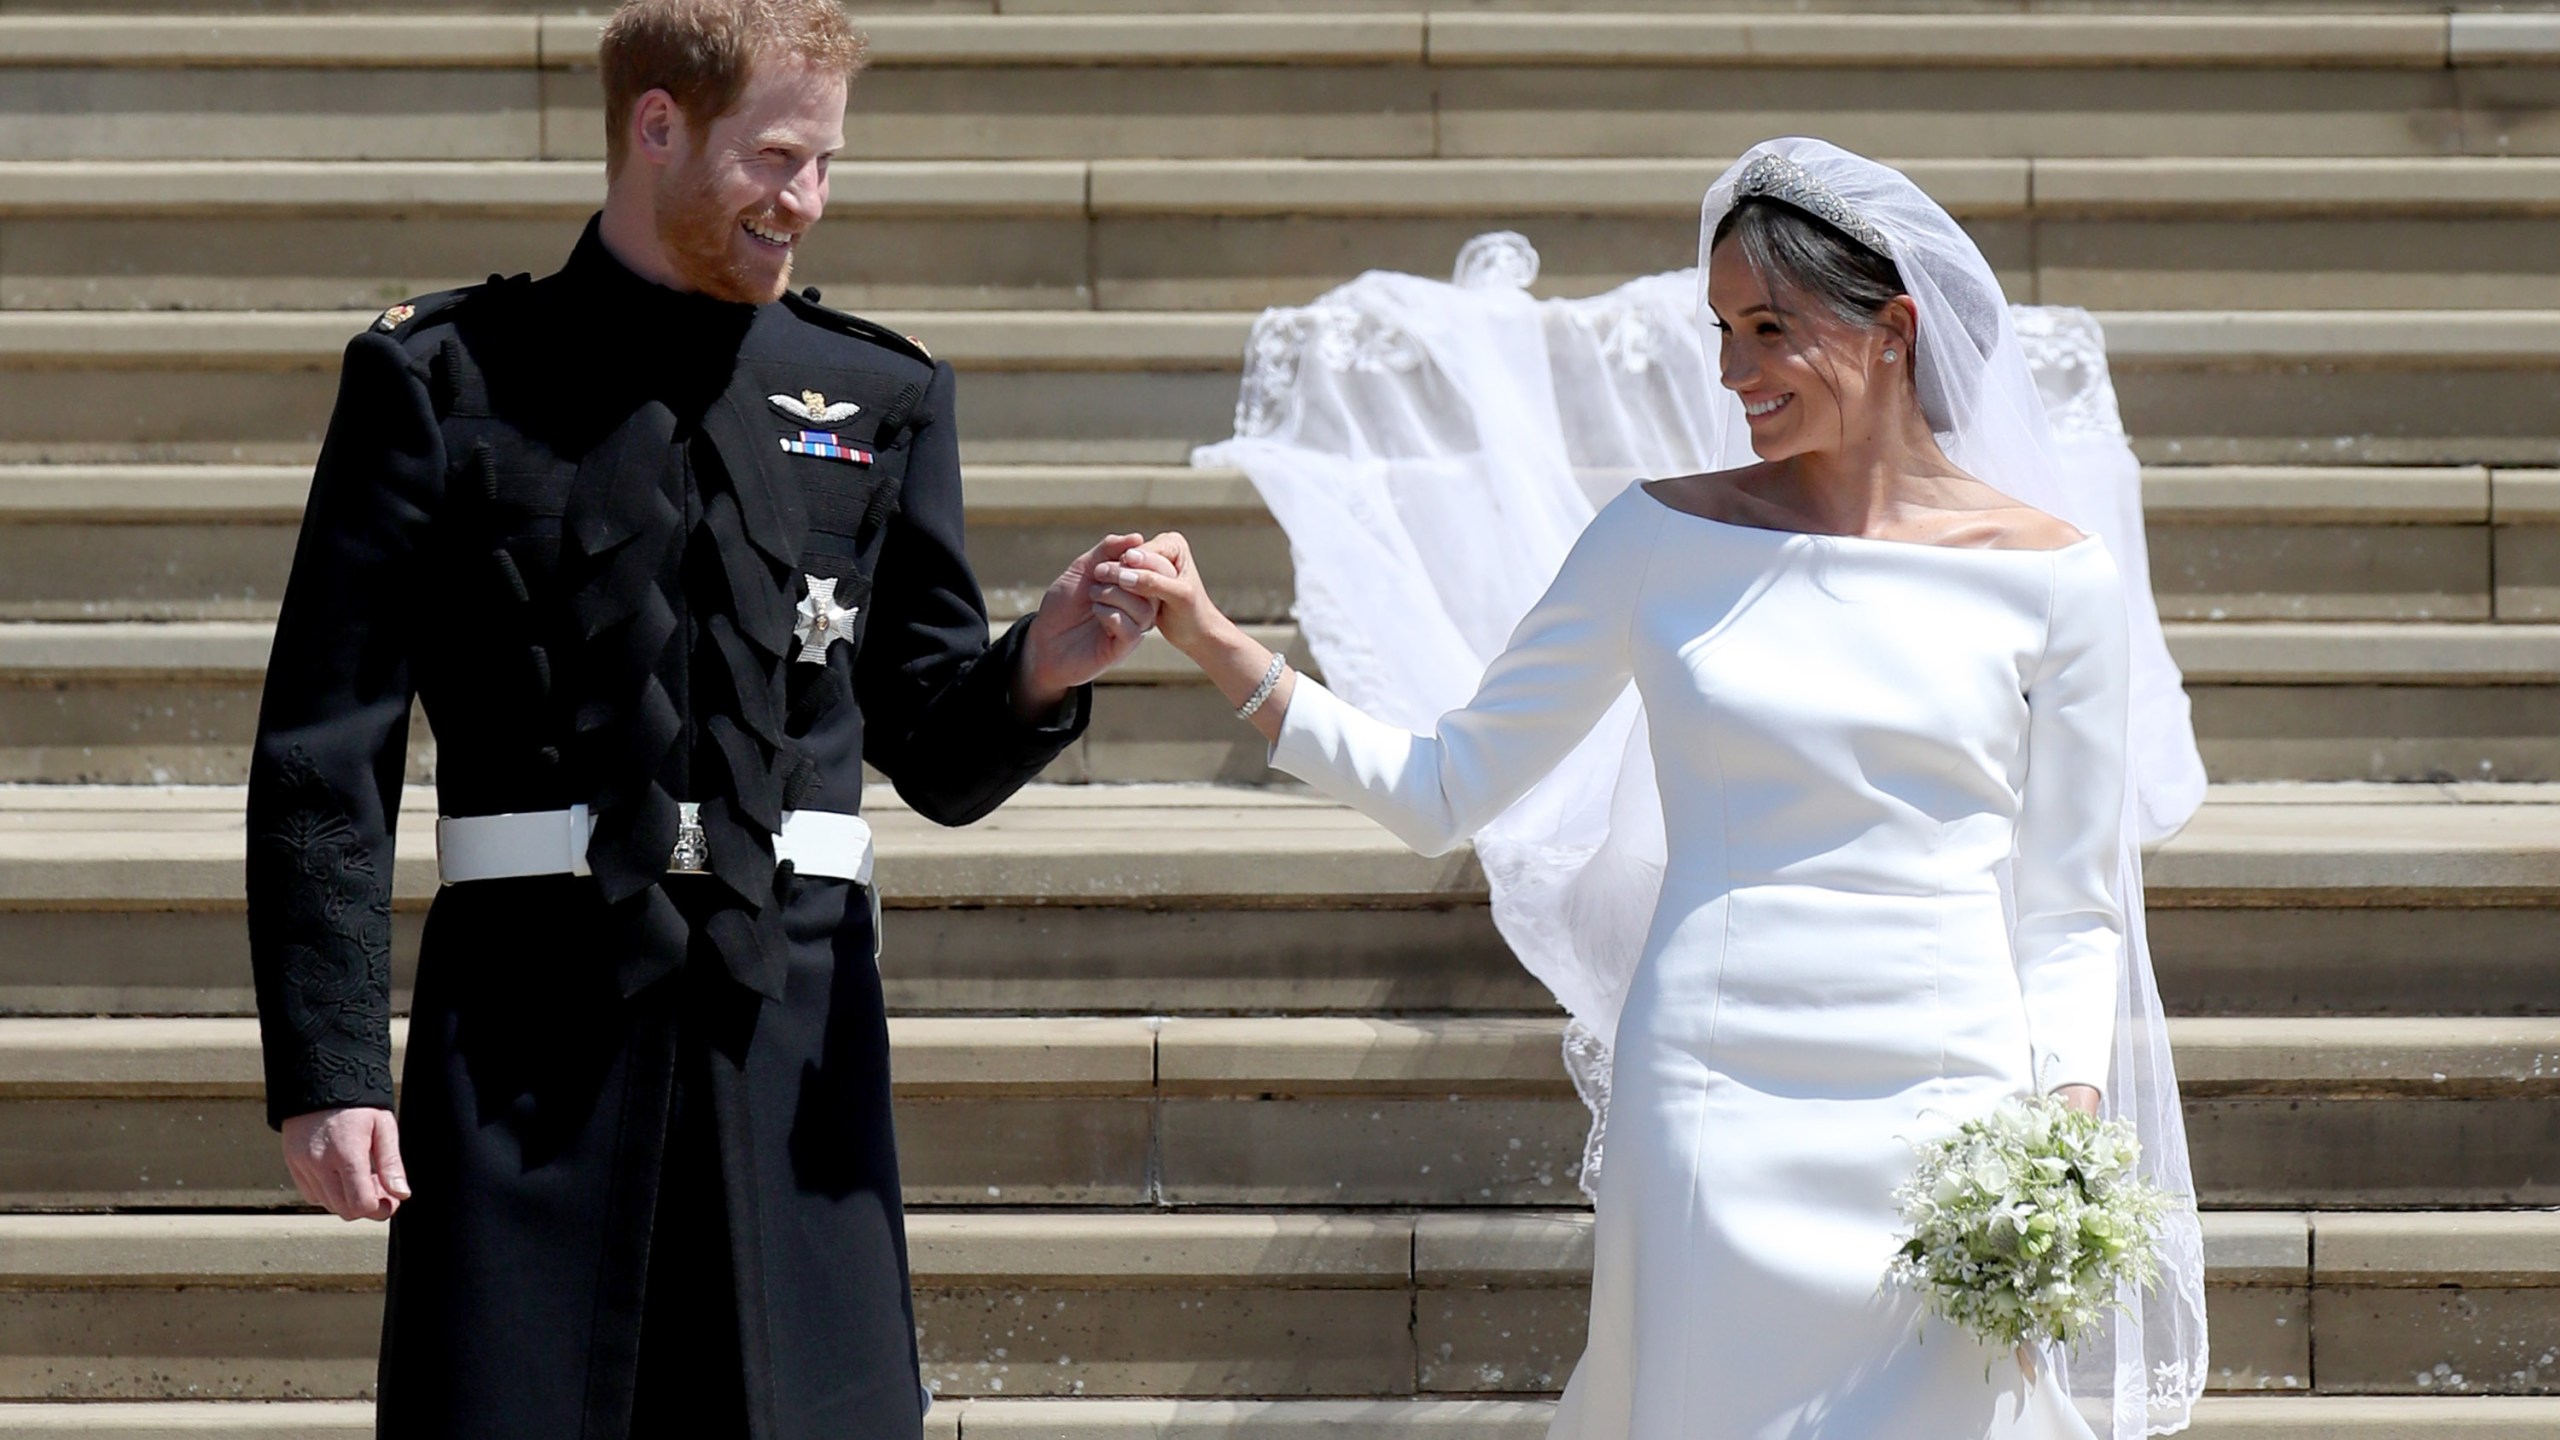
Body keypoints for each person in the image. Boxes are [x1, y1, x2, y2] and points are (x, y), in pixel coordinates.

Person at [1108, 139, 2196, 1439]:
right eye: (1721, 330)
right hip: (1712, 1103)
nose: (1733, 373)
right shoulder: (1654, 538)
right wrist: (1222, 647)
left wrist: (2064, 1125)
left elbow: (2072, 912)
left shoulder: (2056, 578)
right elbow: (1444, 787)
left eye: (1770, 330)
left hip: (1947, 1110)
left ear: (1894, 329)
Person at [243, 1, 1150, 1435]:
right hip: (526, 1035)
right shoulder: (441, 381)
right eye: (776, 157)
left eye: (828, 163)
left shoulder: (880, 392)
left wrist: (1039, 663)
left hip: (793, 1048)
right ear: (654, 125)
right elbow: (321, 756)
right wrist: (331, 1068)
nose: (806, 201)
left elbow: (930, 743)